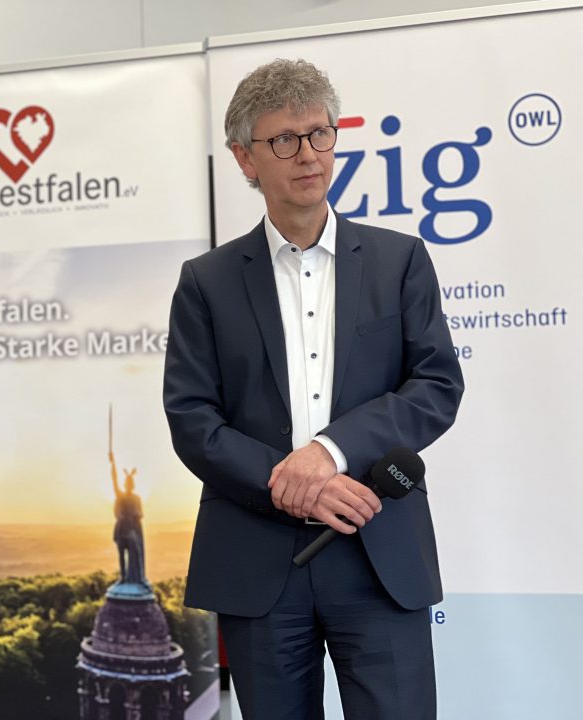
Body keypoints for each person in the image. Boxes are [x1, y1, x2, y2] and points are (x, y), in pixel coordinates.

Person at [163, 59, 464, 719]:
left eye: (320, 133)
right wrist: (290, 483)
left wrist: (329, 453)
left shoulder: (399, 260)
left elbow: (436, 385)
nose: (308, 154)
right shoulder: (206, 282)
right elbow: (192, 419)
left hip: (377, 548)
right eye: (284, 140)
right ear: (244, 157)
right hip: (258, 562)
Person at [109, 451, 146, 585]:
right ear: (125, 485)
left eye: (130, 483)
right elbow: (114, 480)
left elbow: (140, 514)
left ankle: (139, 577)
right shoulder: (121, 496)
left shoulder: (137, 498)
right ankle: (123, 577)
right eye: (127, 483)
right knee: (121, 555)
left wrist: (137, 514)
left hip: (132, 531)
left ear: (132, 485)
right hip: (121, 530)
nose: (129, 485)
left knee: (136, 554)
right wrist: (113, 463)